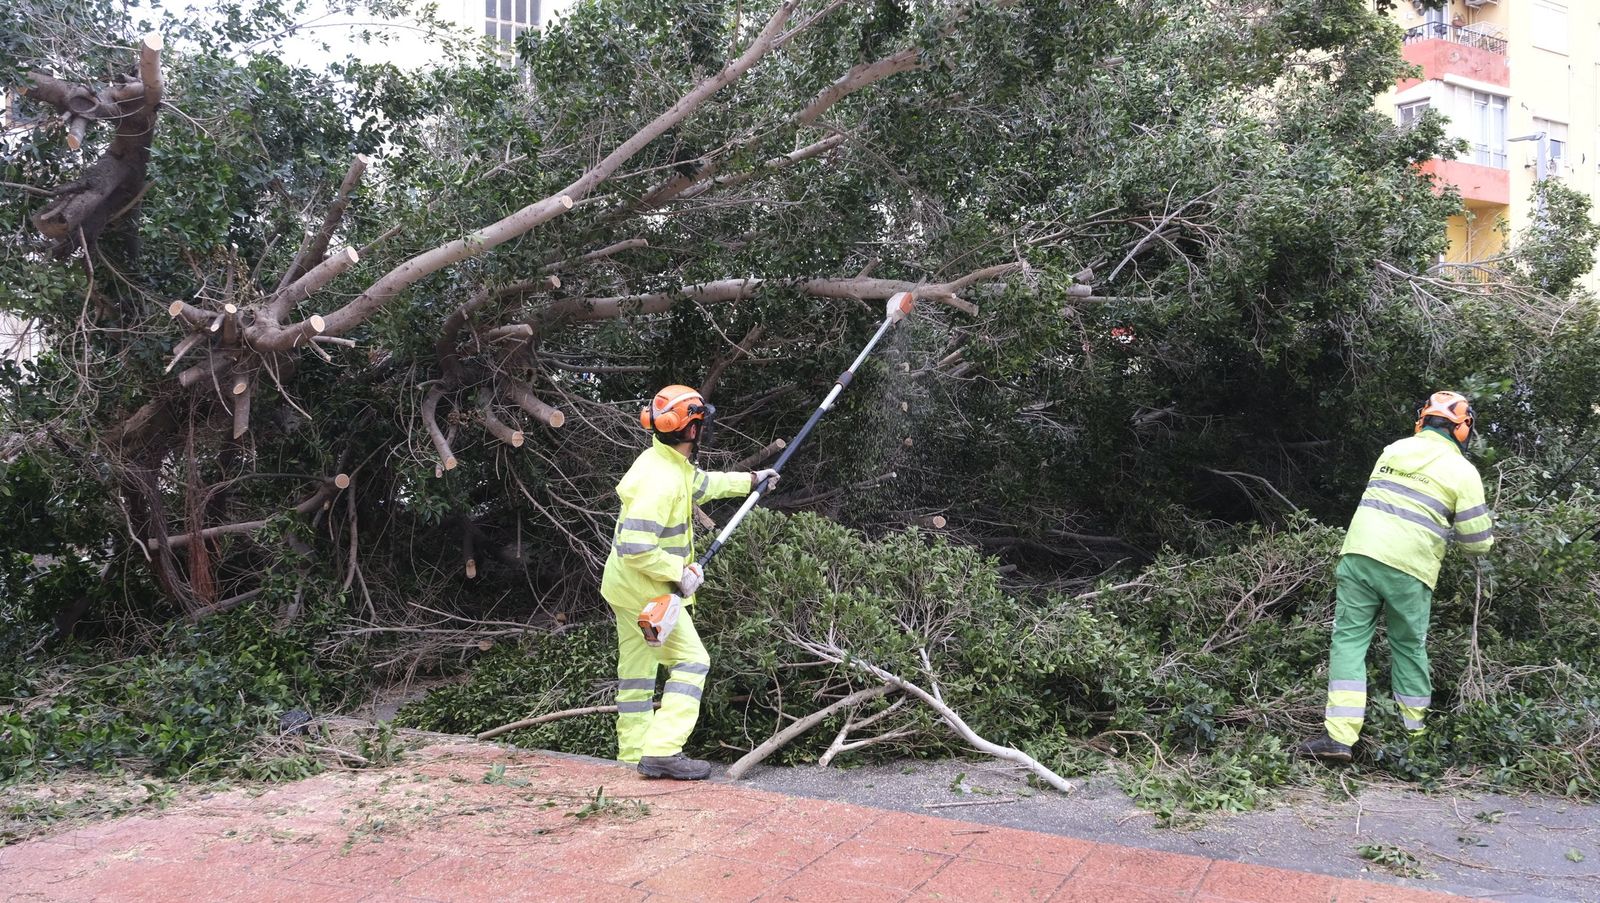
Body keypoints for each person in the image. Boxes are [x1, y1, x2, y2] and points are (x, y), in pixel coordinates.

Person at [1298, 391, 1494, 763]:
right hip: (1410, 568)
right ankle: (1413, 735)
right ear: (1463, 428)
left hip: (1360, 554)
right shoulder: (1463, 472)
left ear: (1421, 420)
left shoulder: (1393, 449)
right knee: (1408, 646)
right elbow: (1478, 544)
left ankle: (1339, 737)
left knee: (1349, 641)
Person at [600, 384, 779, 780]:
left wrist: (751, 480)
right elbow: (635, 546)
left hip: (625, 589)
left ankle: (634, 754)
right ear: (692, 429)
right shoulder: (660, 480)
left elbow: (702, 485)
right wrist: (678, 572)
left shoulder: (663, 461)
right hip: (646, 591)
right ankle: (663, 750)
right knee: (692, 661)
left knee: (638, 674)